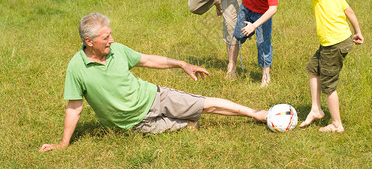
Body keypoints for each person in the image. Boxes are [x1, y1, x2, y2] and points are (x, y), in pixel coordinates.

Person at [39, 13, 268, 152]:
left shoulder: (117, 50)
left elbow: (147, 60)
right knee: (185, 125)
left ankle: (256, 113)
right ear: (88, 41)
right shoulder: (76, 67)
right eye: (106, 37)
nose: (112, 40)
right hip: (133, 123)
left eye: (110, 34)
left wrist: (180, 63)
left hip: (154, 95)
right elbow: (74, 108)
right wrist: (63, 143)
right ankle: (187, 122)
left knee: (203, 104)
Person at [273, 0, 364, 132]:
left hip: (334, 43)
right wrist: (357, 31)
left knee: (328, 84)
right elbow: (349, 10)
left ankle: (337, 124)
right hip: (338, 40)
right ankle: (316, 109)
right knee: (313, 69)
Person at [225, 0, 281, 87]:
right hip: (246, 7)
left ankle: (266, 76)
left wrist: (254, 26)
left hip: (262, 13)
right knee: (237, 36)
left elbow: (273, 8)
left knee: (263, 44)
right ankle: (231, 67)